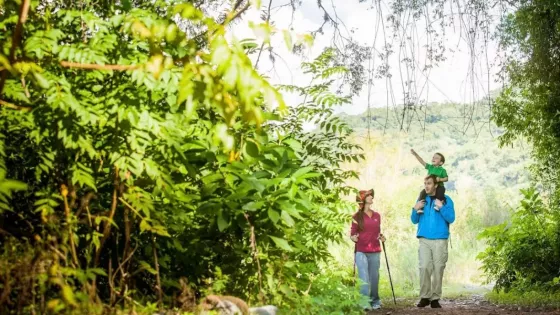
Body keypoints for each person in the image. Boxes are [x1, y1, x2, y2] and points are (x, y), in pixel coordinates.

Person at [410, 175, 455, 308]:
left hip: (440, 240)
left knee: (438, 269)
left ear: (436, 185)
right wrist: (415, 208)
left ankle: (435, 298)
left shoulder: (446, 200)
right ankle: (425, 297)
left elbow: (451, 218)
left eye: (429, 183)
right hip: (424, 239)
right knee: (424, 267)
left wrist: (441, 207)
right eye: (425, 183)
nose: (426, 186)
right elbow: (414, 220)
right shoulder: (422, 200)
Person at [350, 189, 386, 311]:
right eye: (369, 196)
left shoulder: (377, 215)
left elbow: (377, 231)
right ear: (363, 199)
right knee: (363, 278)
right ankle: (364, 302)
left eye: (371, 195)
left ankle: (375, 301)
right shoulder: (356, 216)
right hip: (361, 251)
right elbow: (352, 234)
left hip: (375, 249)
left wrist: (382, 237)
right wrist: (353, 237)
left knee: (374, 277)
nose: (371, 197)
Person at [410, 149, 448, 214]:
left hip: (439, 186)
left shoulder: (442, 170)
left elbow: (446, 178)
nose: (433, 158)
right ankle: (421, 208)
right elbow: (422, 161)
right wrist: (415, 154)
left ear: (441, 163)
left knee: (441, 192)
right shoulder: (430, 167)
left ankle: (438, 205)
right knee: (422, 193)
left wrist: (440, 179)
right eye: (433, 157)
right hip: (431, 187)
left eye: (436, 158)